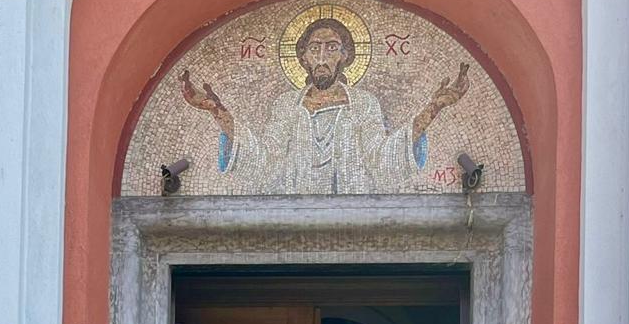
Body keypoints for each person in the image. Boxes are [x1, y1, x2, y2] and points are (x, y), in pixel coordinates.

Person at [179, 17, 471, 194]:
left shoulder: (363, 103)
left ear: (345, 55)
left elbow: (382, 159)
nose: (321, 58)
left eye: (331, 48)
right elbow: (265, 160)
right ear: (303, 57)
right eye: (314, 49)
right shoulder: (286, 105)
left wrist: (434, 108)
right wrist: (216, 111)